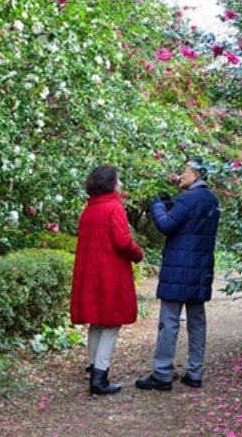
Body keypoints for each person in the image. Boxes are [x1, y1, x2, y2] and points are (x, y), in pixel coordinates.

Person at [136, 158, 220, 391]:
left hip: (178, 267)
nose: (181, 175)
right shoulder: (212, 200)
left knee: (169, 321)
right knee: (197, 321)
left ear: (196, 175)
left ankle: (162, 373)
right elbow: (190, 225)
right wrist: (171, 201)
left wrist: (156, 203)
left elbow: (166, 225)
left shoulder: (188, 199)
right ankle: (195, 372)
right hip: (201, 268)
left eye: (185, 171)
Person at [70, 164, 144, 396]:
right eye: (118, 180)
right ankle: (99, 378)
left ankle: (93, 366)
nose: (120, 184)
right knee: (111, 323)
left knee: (97, 321)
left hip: (91, 272)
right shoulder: (114, 208)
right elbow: (123, 241)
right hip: (110, 273)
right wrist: (138, 253)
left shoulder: (88, 210)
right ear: (111, 183)